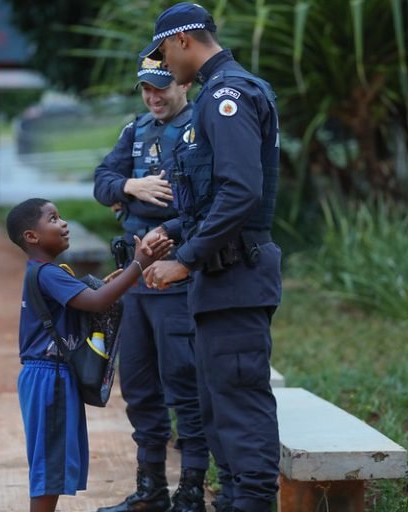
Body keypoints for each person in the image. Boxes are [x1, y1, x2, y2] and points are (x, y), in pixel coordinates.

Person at [138, 4, 283, 512]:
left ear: (182, 42)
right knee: (218, 408)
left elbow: (241, 193)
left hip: (234, 276)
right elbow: (210, 198)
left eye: (162, 53)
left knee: (239, 406)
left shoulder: (227, 96)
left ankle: (251, 504)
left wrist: (187, 258)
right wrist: (171, 232)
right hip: (220, 281)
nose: (163, 66)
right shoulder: (212, 97)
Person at [93, 57, 208, 512]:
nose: (153, 97)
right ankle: (151, 489)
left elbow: (213, 202)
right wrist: (131, 186)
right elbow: (102, 184)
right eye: (145, 89)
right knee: (138, 384)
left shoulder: (204, 126)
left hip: (178, 275)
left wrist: (172, 228)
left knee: (184, 382)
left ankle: (193, 490)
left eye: (160, 88)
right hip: (134, 279)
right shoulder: (135, 129)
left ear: (182, 82)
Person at [5, 198, 172, 512]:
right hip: (48, 376)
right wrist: (139, 264)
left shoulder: (46, 272)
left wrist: (125, 274)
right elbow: (96, 302)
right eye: (53, 218)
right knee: (49, 465)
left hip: (47, 375)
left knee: (51, 460)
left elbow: (91, 299)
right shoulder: (48, 274)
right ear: (32, 237)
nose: (63, 223)